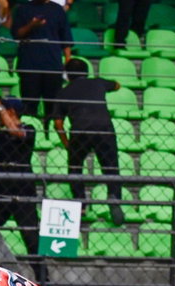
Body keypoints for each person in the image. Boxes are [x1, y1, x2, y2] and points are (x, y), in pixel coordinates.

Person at [53, 57, 126, 227]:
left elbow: (58, 123)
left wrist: (66, 143)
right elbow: (116, 85)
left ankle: (80, 203)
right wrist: (111, 85)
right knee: (111, 166)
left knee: (75, 166)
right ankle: (114, 198)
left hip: (80, 130)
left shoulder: (64, 92)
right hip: (104, 128)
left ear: (67, 75)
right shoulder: (98, 83)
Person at [0, 96, 46, 282]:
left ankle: (43, 280)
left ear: (11, 112)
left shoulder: (28, 129)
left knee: (31, 238)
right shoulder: (0, 135)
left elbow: (15, 131)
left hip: (23, 190)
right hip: (2, 190)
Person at [11, 0, 70, 122]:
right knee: (29, 107)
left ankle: (51, 136)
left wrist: (68, 60)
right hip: (29, 64)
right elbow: (17, 34)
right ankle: (31, 136)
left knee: (53, 107)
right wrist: (32, 25)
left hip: (53, 65)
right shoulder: (23, 8)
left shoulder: (58, 10)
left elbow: (66, 38)